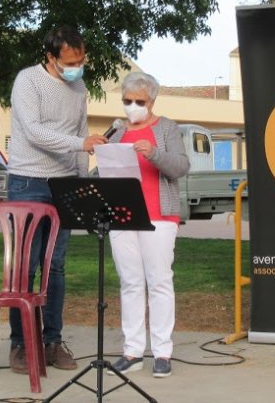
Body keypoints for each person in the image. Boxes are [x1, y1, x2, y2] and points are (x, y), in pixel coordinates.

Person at [7, 25, 108, 374]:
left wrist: (80, 181)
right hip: (28, 180)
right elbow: (34, 131)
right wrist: (80, 145)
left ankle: (52, 340)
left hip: (65, 181)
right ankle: (19, 345)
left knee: (57, 266)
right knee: (26, 266)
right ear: (50, 57)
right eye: (70, 61)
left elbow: (81, 131)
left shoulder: (79, 86)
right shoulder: (27, 82)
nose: (77, 66)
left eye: (81, 60)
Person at [105, 71, 190, 378]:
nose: (132, 106)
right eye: (127, 101)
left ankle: (162, 351)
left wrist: (153, 153)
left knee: (159, 282)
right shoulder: (116, 131)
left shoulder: (166, 128)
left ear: (152, 101)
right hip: (122, 216)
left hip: (158, 216)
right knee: (129, 282)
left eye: (139, 101)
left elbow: (181, 166)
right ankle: (132, 350)